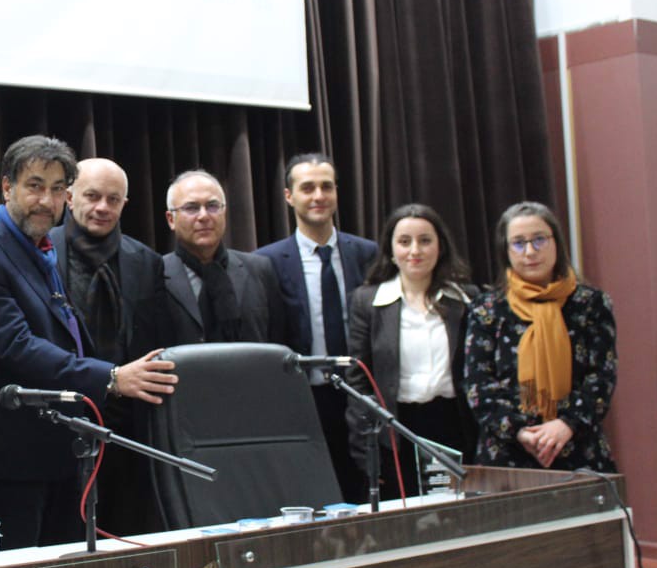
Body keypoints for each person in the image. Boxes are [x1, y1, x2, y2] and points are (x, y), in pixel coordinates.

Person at [0, 135, 177, 549]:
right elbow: (16, 346)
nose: (46, 201)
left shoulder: (39, 248)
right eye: (34, 186)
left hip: (63, 454)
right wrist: (112, 377)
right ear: (6, 187)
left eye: (57, 189)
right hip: (13, 462)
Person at [49, 158, 169, 535]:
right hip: (59, 424)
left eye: (113, 199)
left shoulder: (147, 262)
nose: (102, 207)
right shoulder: (40, 253)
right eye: (92, 196)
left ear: (124, 204)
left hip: (129, 430)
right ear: (69, 197)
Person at [256, 153, 377, 501]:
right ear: (289, 196)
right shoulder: (266, 262)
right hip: (303, 397)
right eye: (307, 188)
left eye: (326, 187)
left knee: (364, 491)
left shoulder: (368, 254)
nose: (318, 196)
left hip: (359, 394)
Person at [464, 202, 617, 472]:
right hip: (507, 454)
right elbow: (479, 385)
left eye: (539, 240)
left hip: (578, 447)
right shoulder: (486, 309)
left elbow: (601, 377)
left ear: (556, 242)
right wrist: (522, 432)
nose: (530, 252)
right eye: (518, 243)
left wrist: (565, 425)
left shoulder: (590, 303)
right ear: (505, 250)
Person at [344, 204, 478, 499]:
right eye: (404, 242)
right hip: (397, 432)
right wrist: (366, 451)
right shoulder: (367, 302)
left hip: (454, 425)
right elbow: (357, 381)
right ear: (391, 250)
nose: (415, 250)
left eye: (425, 240)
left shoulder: (467, 299)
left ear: (440, 247)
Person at [163, 169, 288, 346]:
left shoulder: (259, 268)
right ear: (171, 219)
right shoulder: (156, 275)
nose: (204, 216)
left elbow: (280, 343)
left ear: (224, 212)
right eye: (191, 208)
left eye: (212, 206)